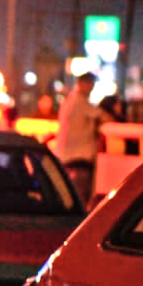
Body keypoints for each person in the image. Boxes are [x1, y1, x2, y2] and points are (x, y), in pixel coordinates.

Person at [57, 72, 105, 204]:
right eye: (90, 84)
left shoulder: (69, 101)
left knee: (71, 200)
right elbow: (103, 117)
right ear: (81, 83)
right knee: (80, 201)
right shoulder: (81, 103)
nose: (92, 88)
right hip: (79, 159)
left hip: (68, 158)